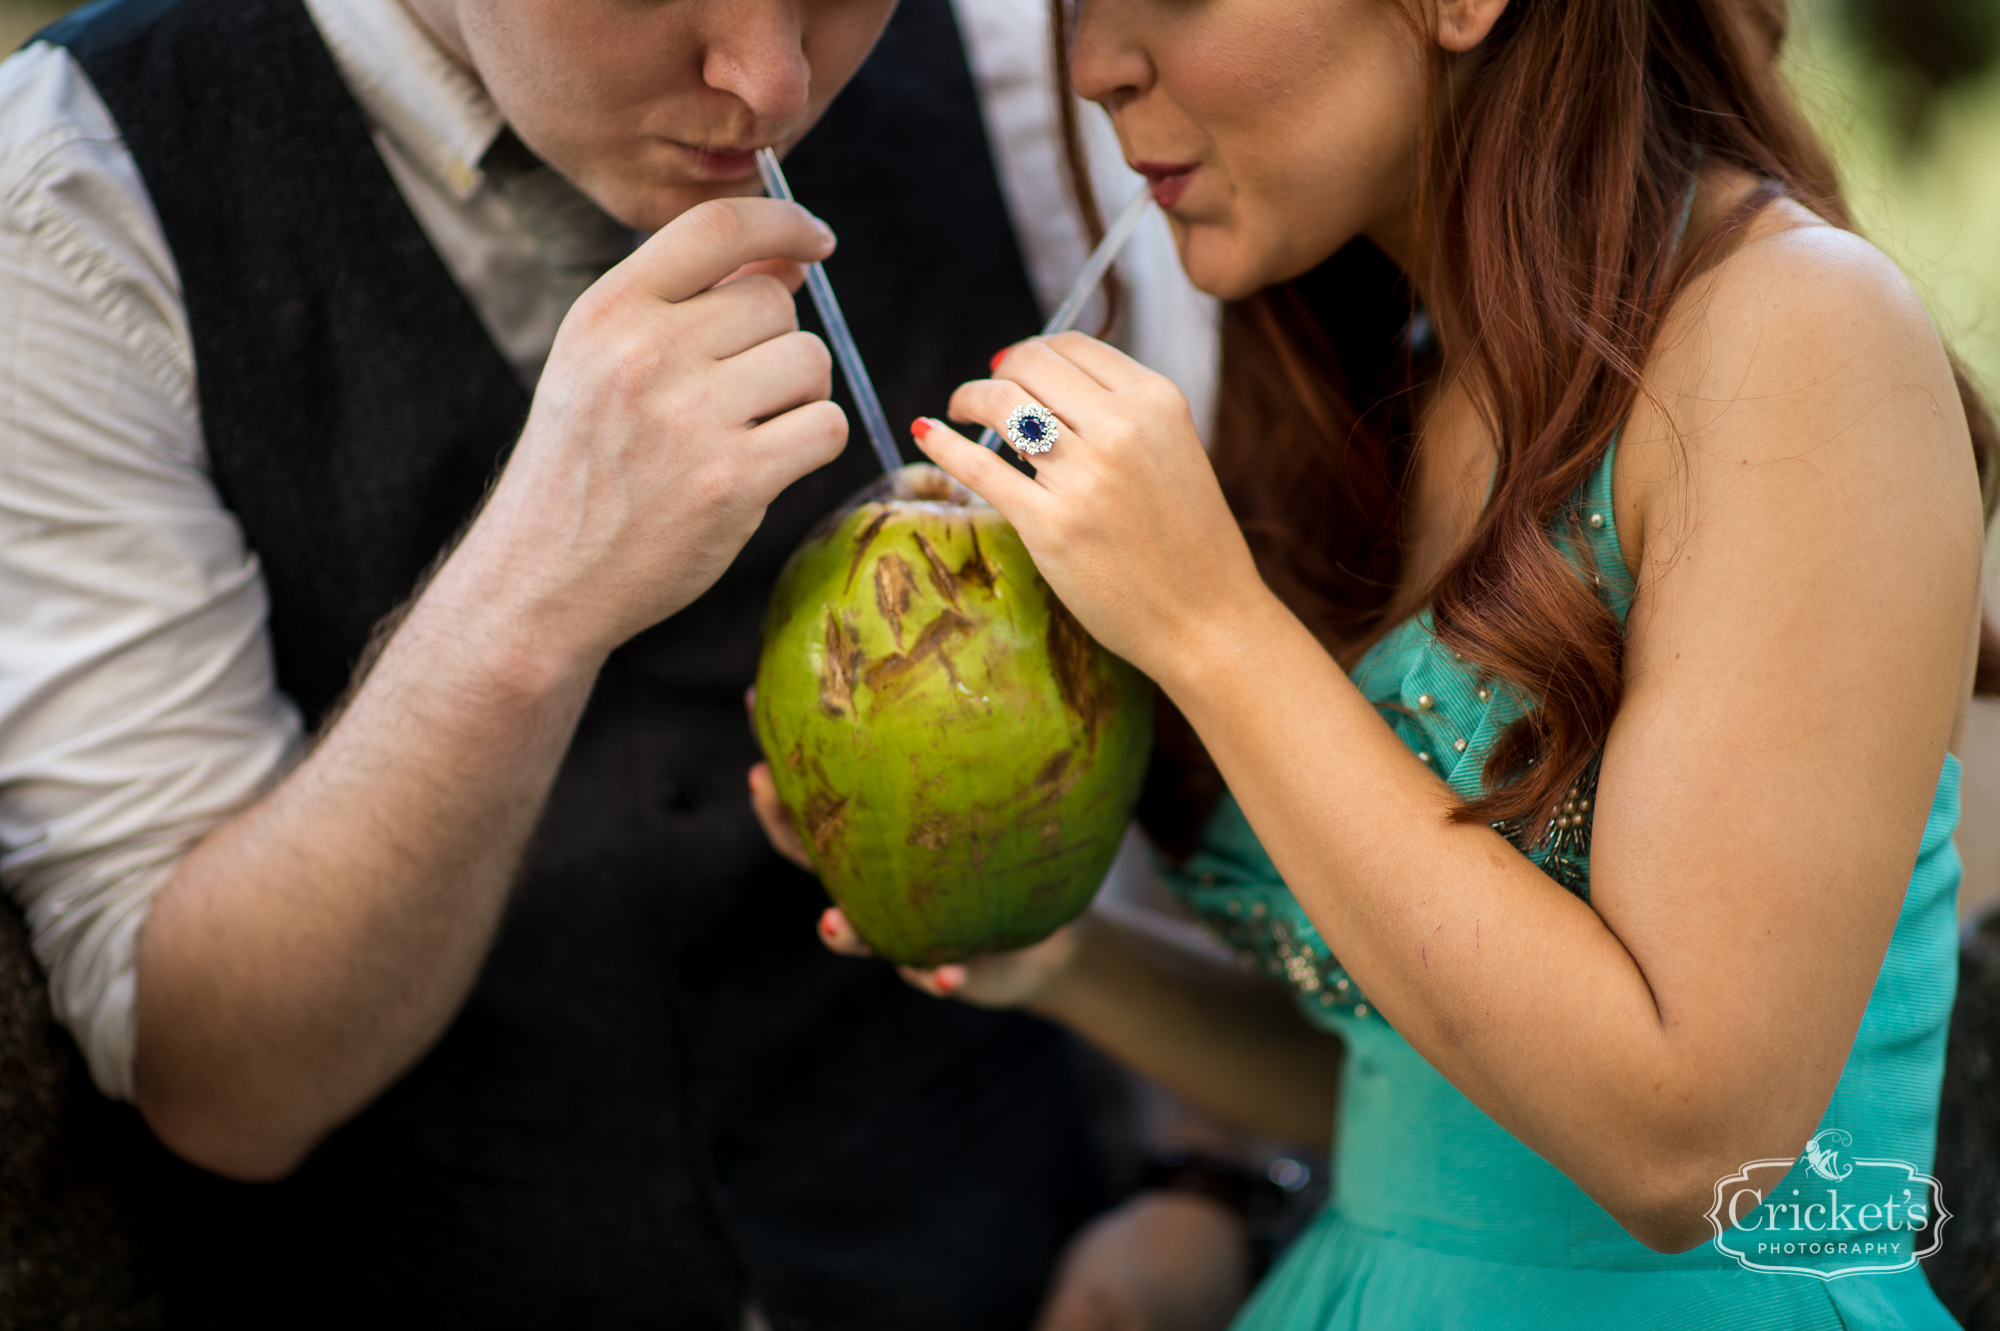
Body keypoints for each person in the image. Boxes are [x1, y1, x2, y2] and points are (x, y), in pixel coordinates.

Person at [758, 0, 2000, 1324]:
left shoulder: (1797, 330)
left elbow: (1685, 1145)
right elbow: (1425, 1097)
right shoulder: (1411, 372)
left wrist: (1207, 625)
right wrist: (1060, 962)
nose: (1095, 69)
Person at [0, 0, 1224, 1325]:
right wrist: (525, 597)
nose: (769, 82)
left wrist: (1211, 1179)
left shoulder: (1033, 63)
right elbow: (223, 1090)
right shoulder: (74, 197)